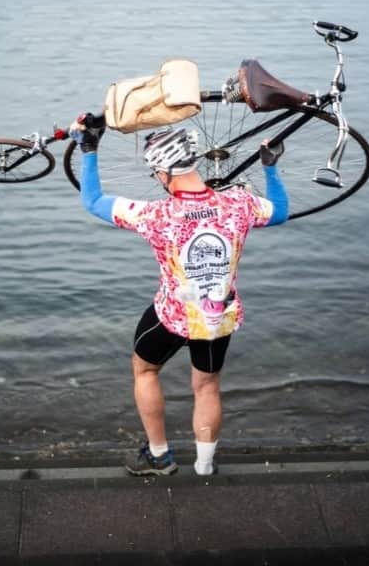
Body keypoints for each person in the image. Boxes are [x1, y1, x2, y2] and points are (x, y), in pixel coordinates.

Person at [70, 112, 288, 476]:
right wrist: (270, 166)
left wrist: (90, 148)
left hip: (172, 316)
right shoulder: (238, 204)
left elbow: (93, 201)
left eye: (156, 173)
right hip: (219, 317)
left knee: (145, 370)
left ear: (164, 172)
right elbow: (280, 212)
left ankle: (159, 456)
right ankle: (204, 467)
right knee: (207, 386)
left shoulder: (155, 214)